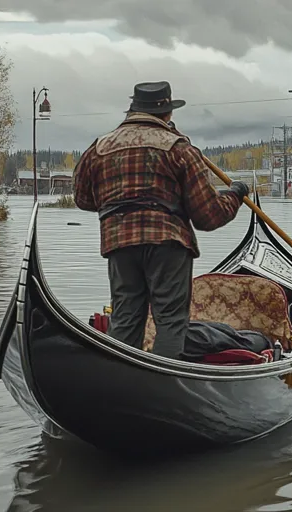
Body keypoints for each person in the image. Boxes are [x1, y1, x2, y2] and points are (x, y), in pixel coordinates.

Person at [73, 81, 250, 359]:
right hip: (168, 243)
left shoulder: (99, 148)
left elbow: (83, 199)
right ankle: (166, 383)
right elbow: (208, 215)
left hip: (119, 244)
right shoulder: (179, 149)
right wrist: (236, 194)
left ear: (132, 109)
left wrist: (120, 205)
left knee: (125, 318)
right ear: (167, 114)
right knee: (170, 322)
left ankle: (120, 379)